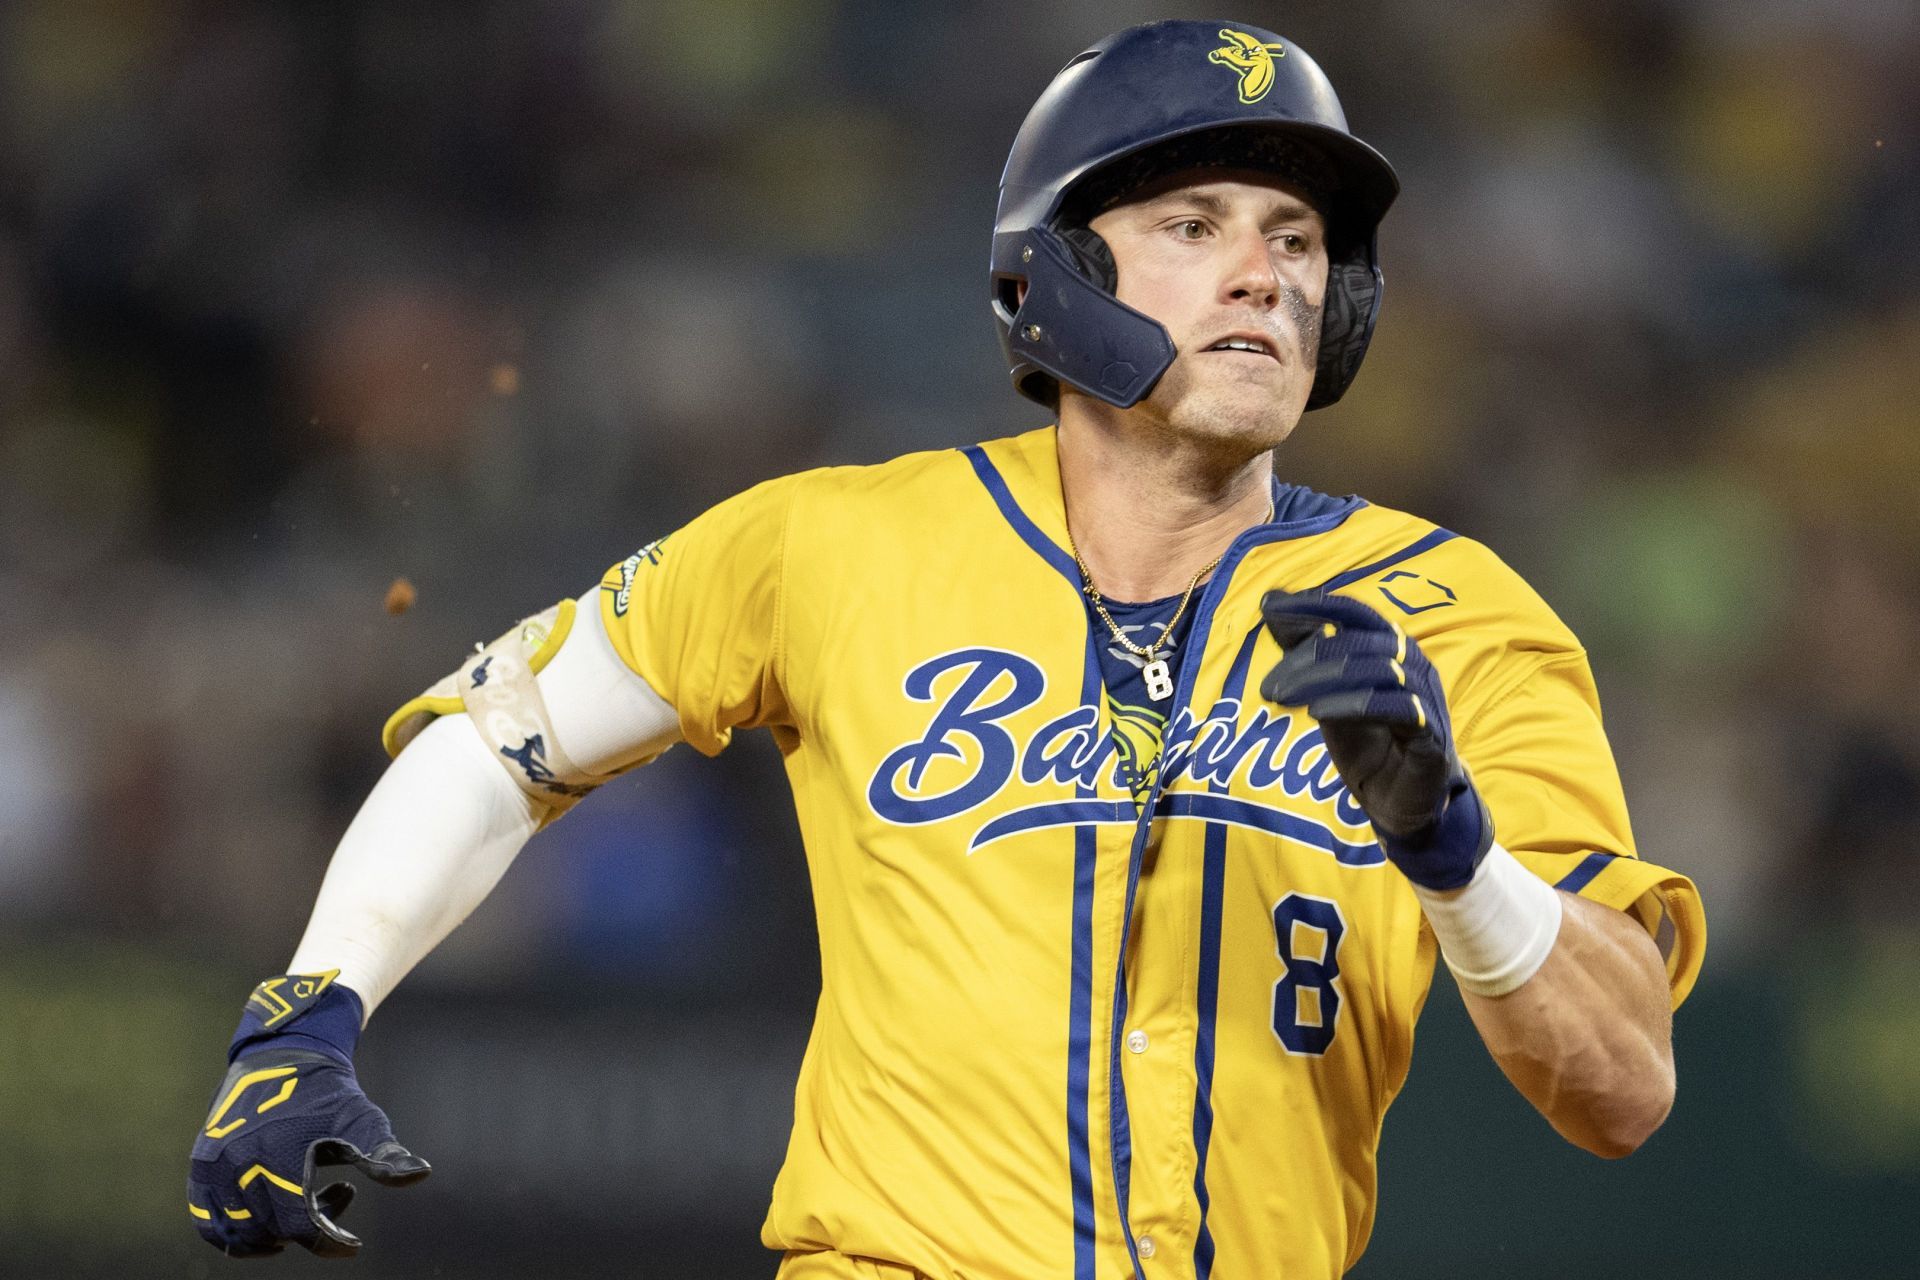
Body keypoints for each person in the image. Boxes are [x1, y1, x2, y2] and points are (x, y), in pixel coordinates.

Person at [187, 19, 1706, 1278]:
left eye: (1300, 240)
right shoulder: (832, 543)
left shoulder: (1464, 615)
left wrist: (1459, 860)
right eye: (1193, 227)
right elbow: (502, 738)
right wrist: (313, 1000)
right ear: (1057, 281)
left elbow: (1624, 1092)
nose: (1268, 276)